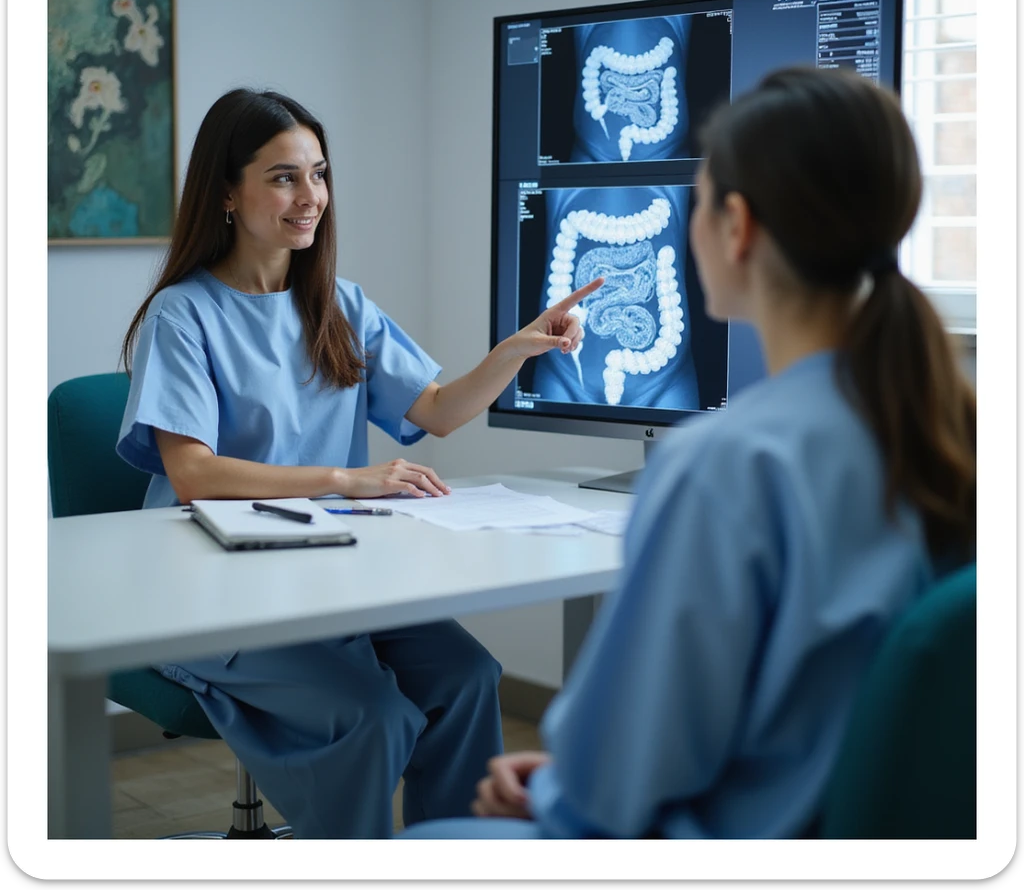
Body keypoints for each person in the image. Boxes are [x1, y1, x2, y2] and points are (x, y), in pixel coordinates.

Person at [399, 65, 977, 840]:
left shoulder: (726, 464)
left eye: (697, 200)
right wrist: (582, 775)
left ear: (736, 227)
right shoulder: (951, 430)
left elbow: (618, 785)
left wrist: (572, 783)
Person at [115, 87, 604, 839]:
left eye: (319, 173)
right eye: (283, 177)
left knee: (469, 678)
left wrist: (517, 349)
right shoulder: (183, 314)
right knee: (370, 717)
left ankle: (454, 847)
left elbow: (436, 410)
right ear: (225, 193)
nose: (310, 196)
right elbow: (195, 474)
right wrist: (346, 479)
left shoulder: (340, 306)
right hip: (213, 594)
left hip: (329, 579)